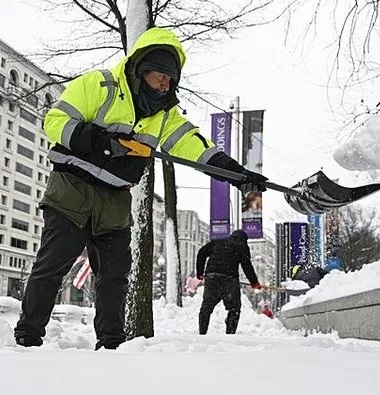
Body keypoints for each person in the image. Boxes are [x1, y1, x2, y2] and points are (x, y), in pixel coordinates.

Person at [13, 27, 267, 349]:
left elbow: (195, 146)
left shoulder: (165, 116)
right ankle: (28, 336)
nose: (166, 83)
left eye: (171, 78)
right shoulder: (99, 85)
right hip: (72, 190)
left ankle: (111, 344)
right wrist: (102, 142)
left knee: (115, 277)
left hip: (117, 198)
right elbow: (55, 121)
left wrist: (237, 174)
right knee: (52, 266)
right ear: (141, 68)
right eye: (161, 74)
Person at [195, 230, 261, 335]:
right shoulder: (242, 247)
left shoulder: (217, 242)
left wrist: (199, 272)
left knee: (206, 307)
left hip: (212, 278)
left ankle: (202, 332)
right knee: (234, 308)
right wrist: (254, 282)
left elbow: (201, 253)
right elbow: (247, 266)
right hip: (229, 280)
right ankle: (230, 334)